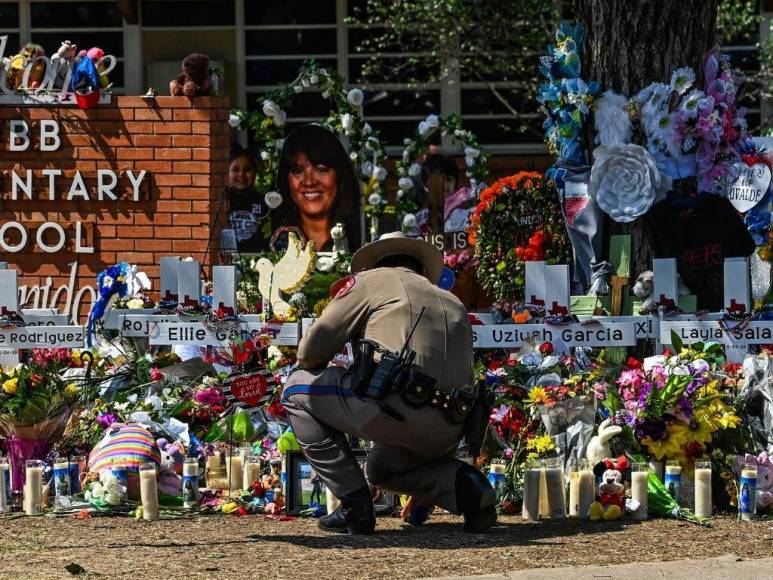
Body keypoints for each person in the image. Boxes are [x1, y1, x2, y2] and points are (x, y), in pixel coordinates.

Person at [281, 232, 496, 534]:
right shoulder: (452, 301)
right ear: (420, 268)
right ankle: (468, 486)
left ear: (376, 263)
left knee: (294, 389)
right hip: (451, 427)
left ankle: (355, 505)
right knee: (382, 470)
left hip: (393, 406)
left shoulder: (371, 281)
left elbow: (310, 351)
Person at [271, 124, 362, 251]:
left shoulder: (362, 239)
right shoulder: (275, 241)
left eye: (321, 169)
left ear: (339, 175)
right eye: (297, 171)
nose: (309, 182)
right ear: (286, 180)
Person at [223, 143, 270, 253]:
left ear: (255, 172)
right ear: (227, 173)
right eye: (235, 169)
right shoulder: (221, 201)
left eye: (248, 169)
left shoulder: (265, 203)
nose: (241, 175)